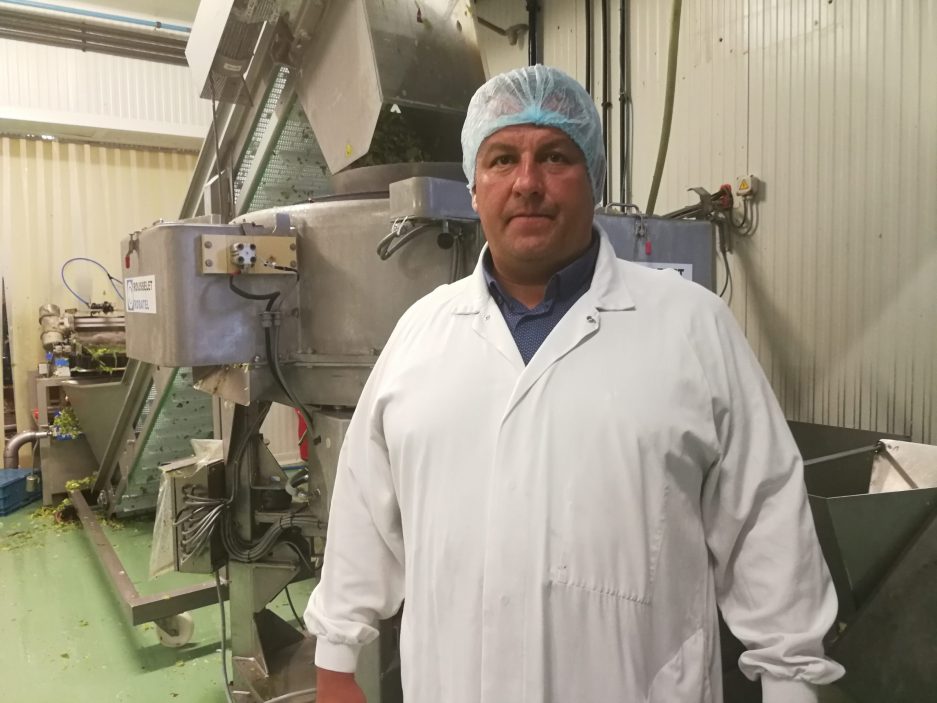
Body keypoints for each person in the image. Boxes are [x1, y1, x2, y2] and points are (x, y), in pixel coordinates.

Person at [305, 65, 844, 703]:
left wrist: (790, 679)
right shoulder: (420, 334)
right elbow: (364, 509)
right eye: (502, 159)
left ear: (594, 179)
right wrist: (336, 659)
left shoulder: (692, 327)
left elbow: (765, 513)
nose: (527, 183)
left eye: (555, 157)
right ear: (474, 188)